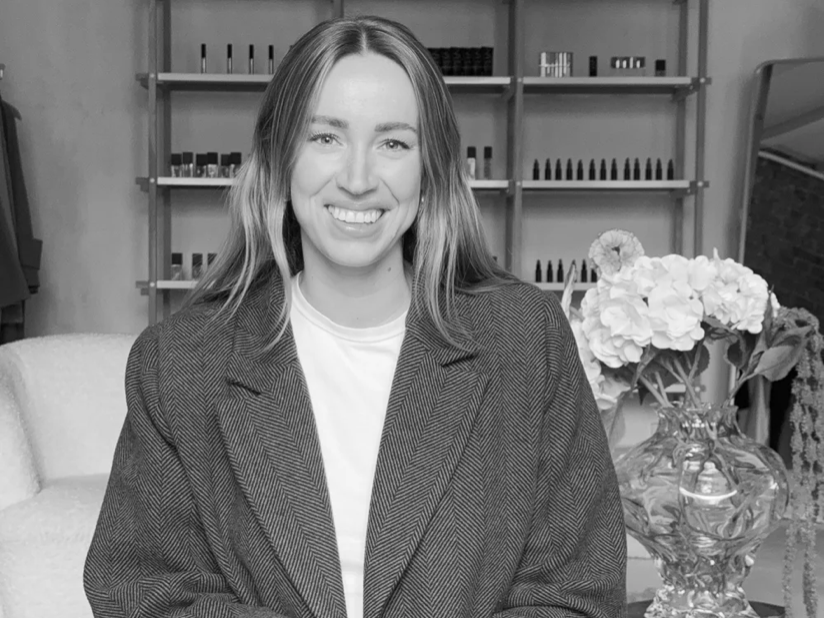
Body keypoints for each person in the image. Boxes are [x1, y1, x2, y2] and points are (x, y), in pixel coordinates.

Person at [83, 15, 626, 618]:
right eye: (325, 138)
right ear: (280, 158)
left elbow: (577, 594)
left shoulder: (525, 340)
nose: (359, 179)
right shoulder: (180, 363)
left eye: (393, 143)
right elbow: (143, 594)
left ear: (430, 171)